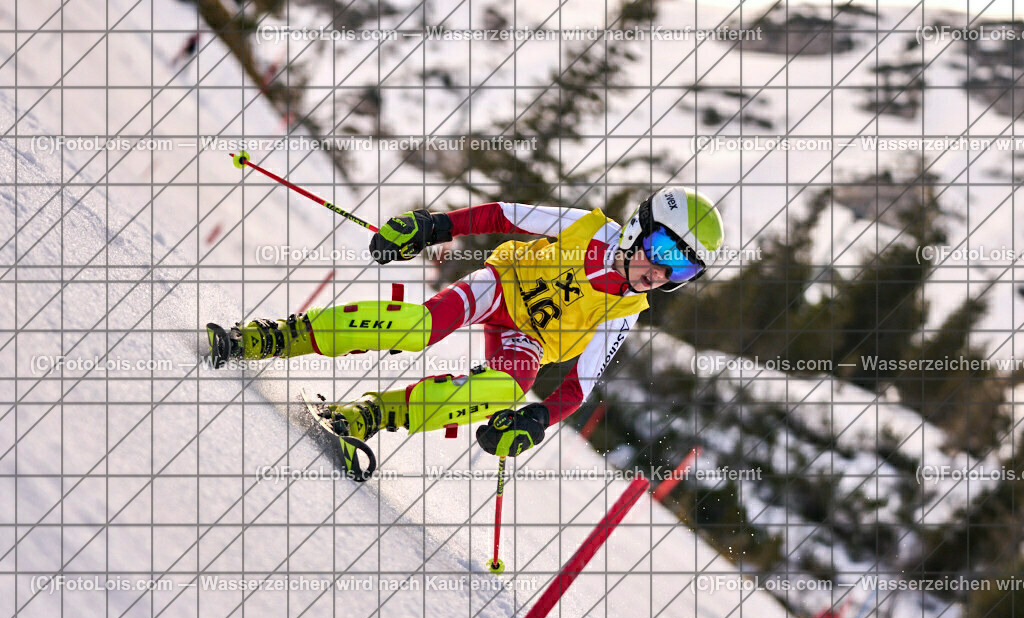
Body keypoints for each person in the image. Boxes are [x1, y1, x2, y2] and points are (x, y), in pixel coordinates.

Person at [207, 187, 724, 461]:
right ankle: (271, 337)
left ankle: (364, 417)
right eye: (660, 251)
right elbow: (504, 216)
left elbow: (577, 386)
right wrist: (434, 227)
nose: (658, 272)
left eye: (680, 269)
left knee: (503, 389)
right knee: (414, 327)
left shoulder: (624, 313)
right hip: (501, 285)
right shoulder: (587, 229)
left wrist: (536, 421)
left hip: (529, 338)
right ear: (638, 228)